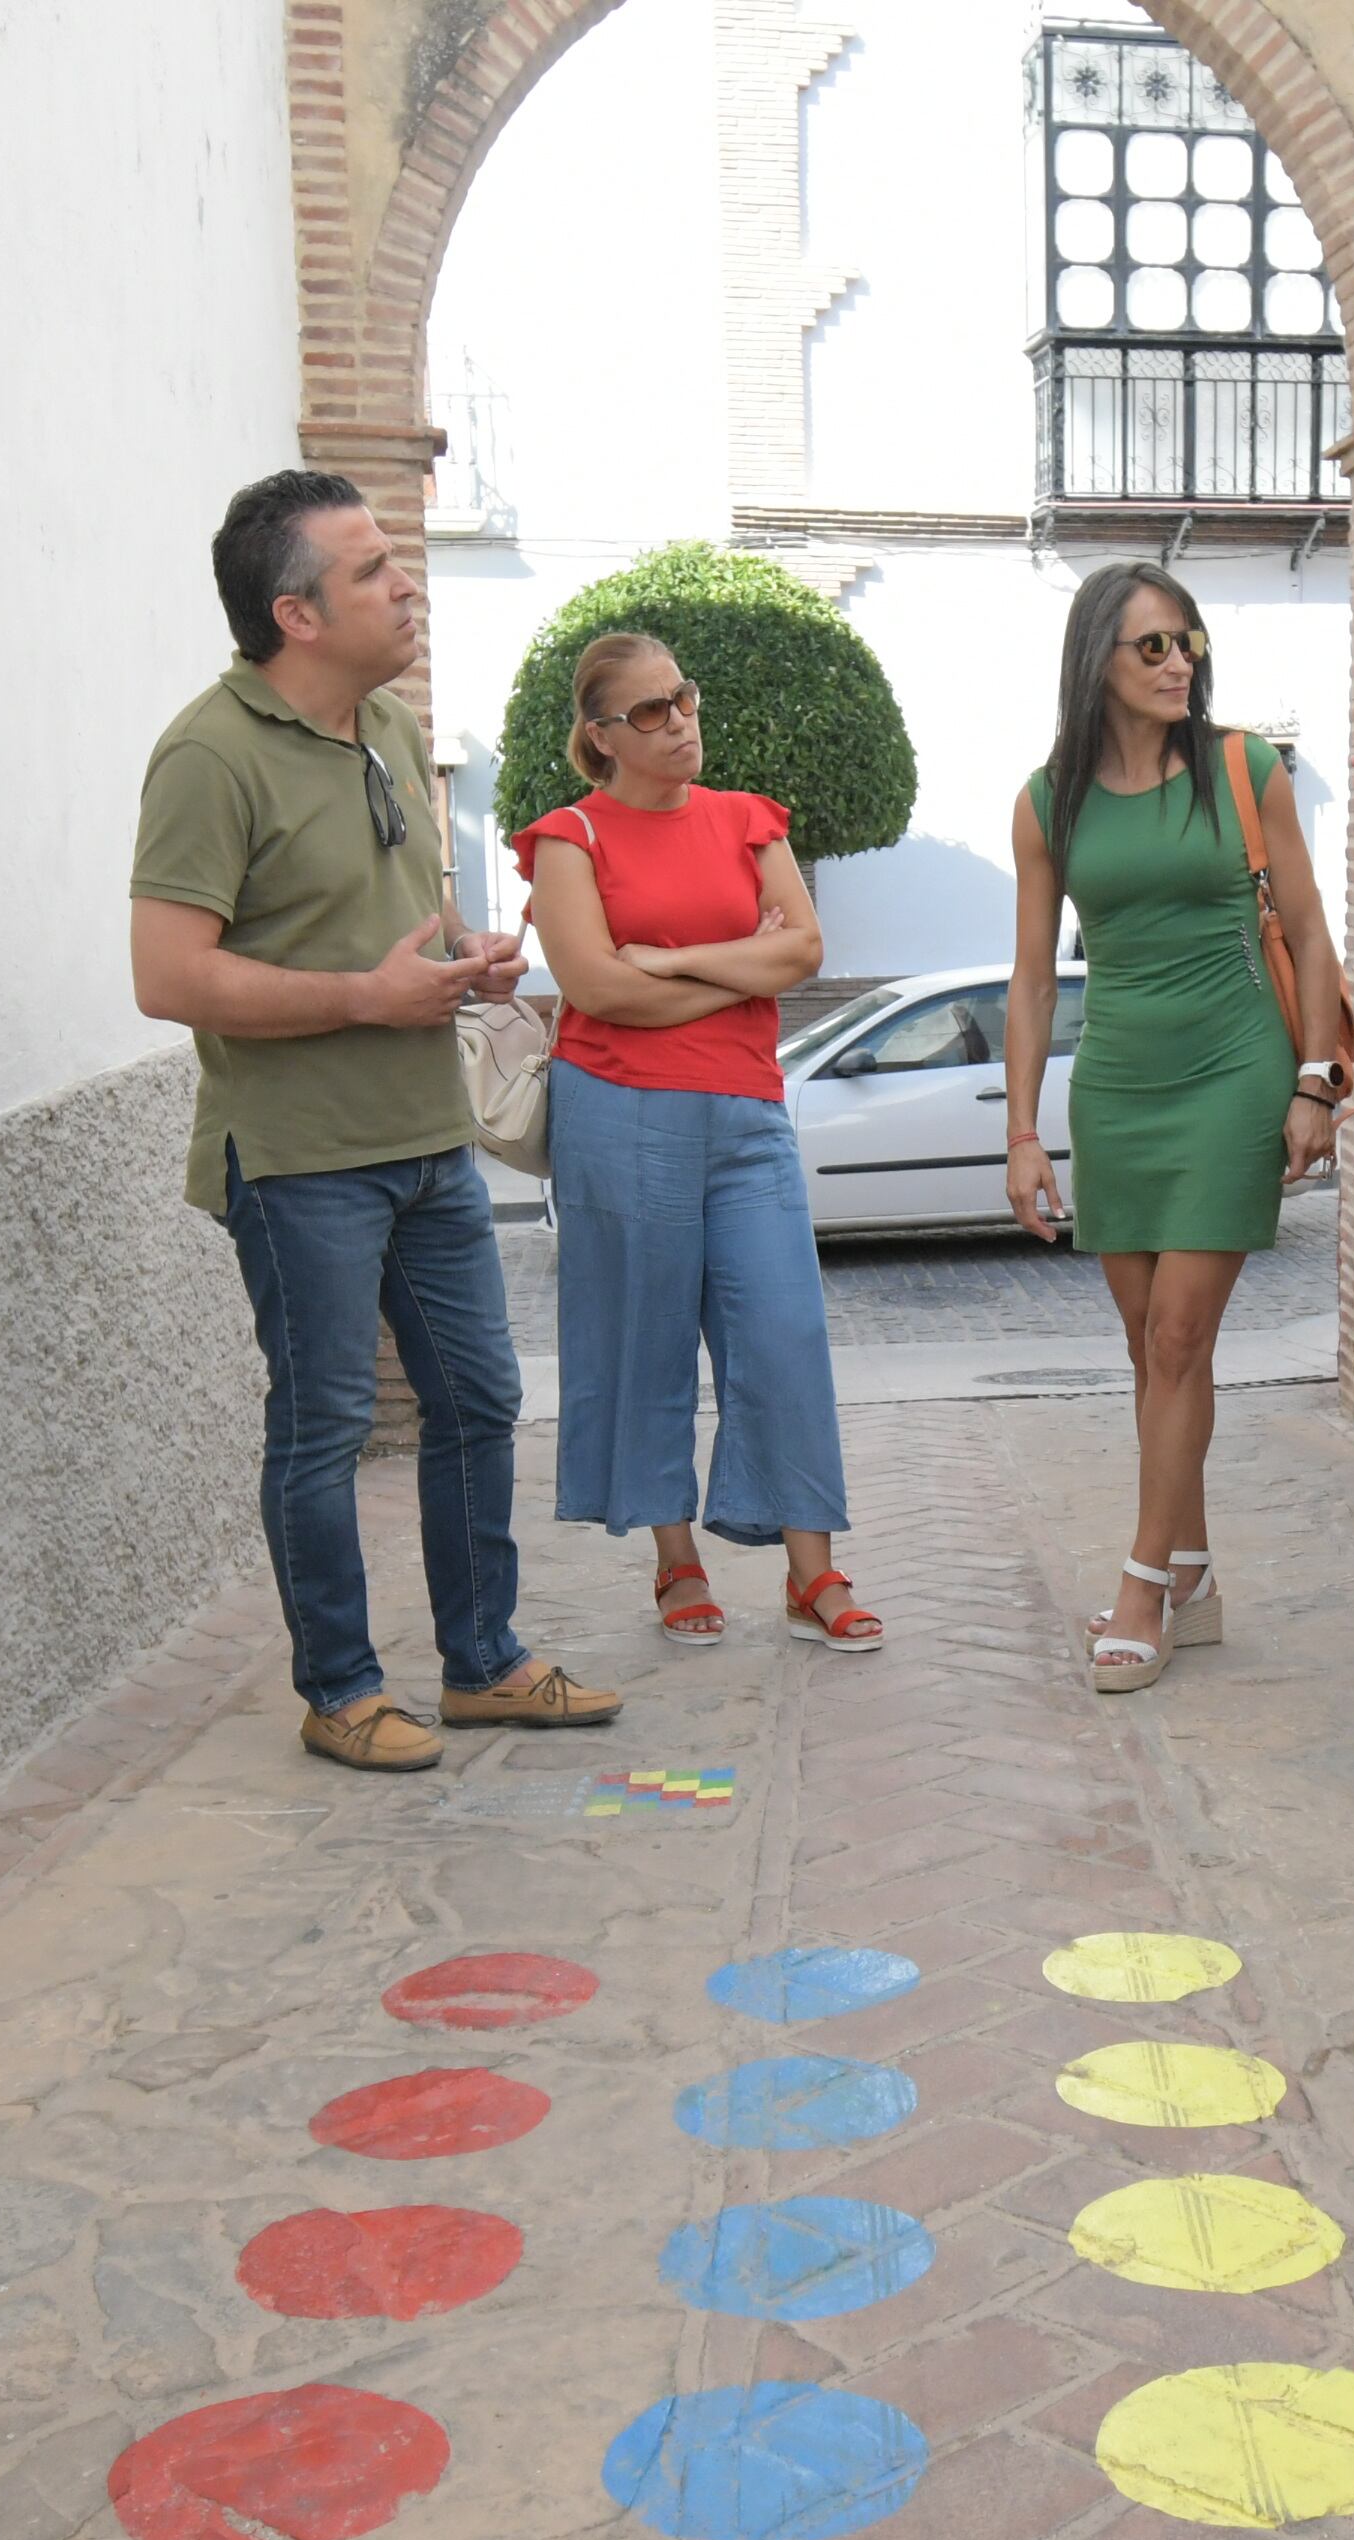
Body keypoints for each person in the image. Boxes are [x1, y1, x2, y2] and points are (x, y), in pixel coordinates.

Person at [128, 468, 623, 1772]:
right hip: (298, 1165)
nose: (403, 586)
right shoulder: (207, 756)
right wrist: (366, 994)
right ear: (295, 614)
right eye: (368, 572)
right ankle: (340, 1689)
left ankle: (484, 1665)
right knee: (326, 1427)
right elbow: (167, 975)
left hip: (425, 1139)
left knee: (478, 1400)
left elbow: (393, 916)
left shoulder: (392, 728)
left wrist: (465, 960)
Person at [1001, 564, 1347, 1695]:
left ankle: (1145, 1582)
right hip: (1118, 1086)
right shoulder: (1049, 797)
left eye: (1185, 640)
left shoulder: (1244, 768)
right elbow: (1033, 981)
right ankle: (1193, 1573)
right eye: (1149, 645)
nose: (1176, 661)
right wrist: (1020, 1132)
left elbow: (1305, 920)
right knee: (1149, 1343)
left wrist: (1315, 1083)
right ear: (1095, 657)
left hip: (1233, 1074)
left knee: (1179, 1343)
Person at [513, 632, 881, 1653]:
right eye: (649, 713)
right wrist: (740, 972)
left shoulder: (746, 820)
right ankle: (676, 1559)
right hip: (619, 1110)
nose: (680, 723)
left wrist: (682, 965)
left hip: (747, 1110)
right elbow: (594, 988)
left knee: (785, 1337)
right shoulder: (568, 837)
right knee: (646, 1339)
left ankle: (813, 1574)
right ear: (600, 735)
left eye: (683, 698)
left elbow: (802, 951)